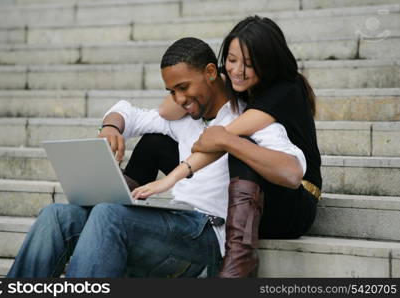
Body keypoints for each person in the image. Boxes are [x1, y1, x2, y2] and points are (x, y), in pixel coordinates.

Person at [7, 37, 305, 278]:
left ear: (211, 73)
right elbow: (127, 111)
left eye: (184, 88)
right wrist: (111, 127)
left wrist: (229, 140)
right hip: (174, 223)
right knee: (55, 216)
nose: (178, 100)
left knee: (109, 215)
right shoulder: (184, 118)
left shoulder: (251, 118)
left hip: (206, 237)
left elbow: (292, 170)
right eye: (171, 91)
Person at [131, 16, 322, 278]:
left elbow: (222, 138)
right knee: (156, 140)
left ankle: (238, 265)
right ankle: (117, 206)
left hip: (291, 200)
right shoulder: (235, 77)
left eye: (250, 64)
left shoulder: (285, 91)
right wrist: (190, 87)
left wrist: (175, 176)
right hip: (253, 199)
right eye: (231, 60)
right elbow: (167, 109)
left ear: (269, 62)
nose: (237, 71)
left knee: (240, 147)